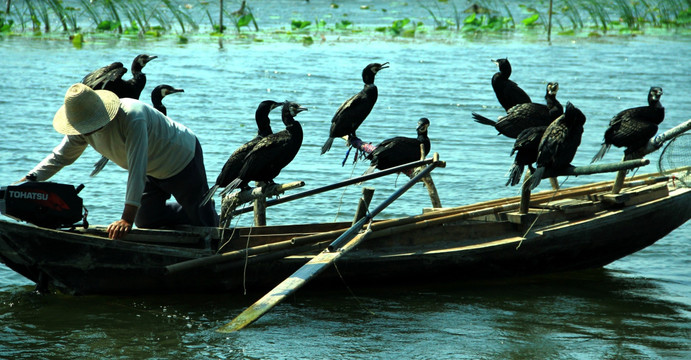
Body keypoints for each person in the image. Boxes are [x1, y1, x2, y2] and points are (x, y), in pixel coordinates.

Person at [23, 83, 219, 239]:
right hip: (150, 170)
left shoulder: (132, 117)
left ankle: (204, 213)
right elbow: (60, 157)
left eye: (87, 125)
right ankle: (193, 210)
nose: (84, 131)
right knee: (147, 220)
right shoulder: (81, 126)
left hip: (180, 158)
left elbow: (137, 167)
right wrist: (26, 184)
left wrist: (126, 219)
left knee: (208, 226)